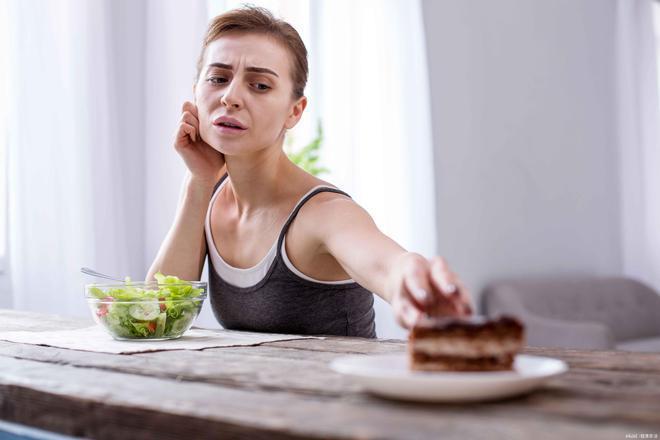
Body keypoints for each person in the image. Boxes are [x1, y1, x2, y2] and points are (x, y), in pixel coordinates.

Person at [147, 6, 473, 337]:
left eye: (259, 85)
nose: (230, 97)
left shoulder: (324, 213)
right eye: (218, 79)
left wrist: (412, 279)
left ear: (294, 111)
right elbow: (158, 315)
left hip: (338, 390)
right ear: (196, 93)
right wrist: (199, 182)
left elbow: (387, 265)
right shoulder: (209, 195)